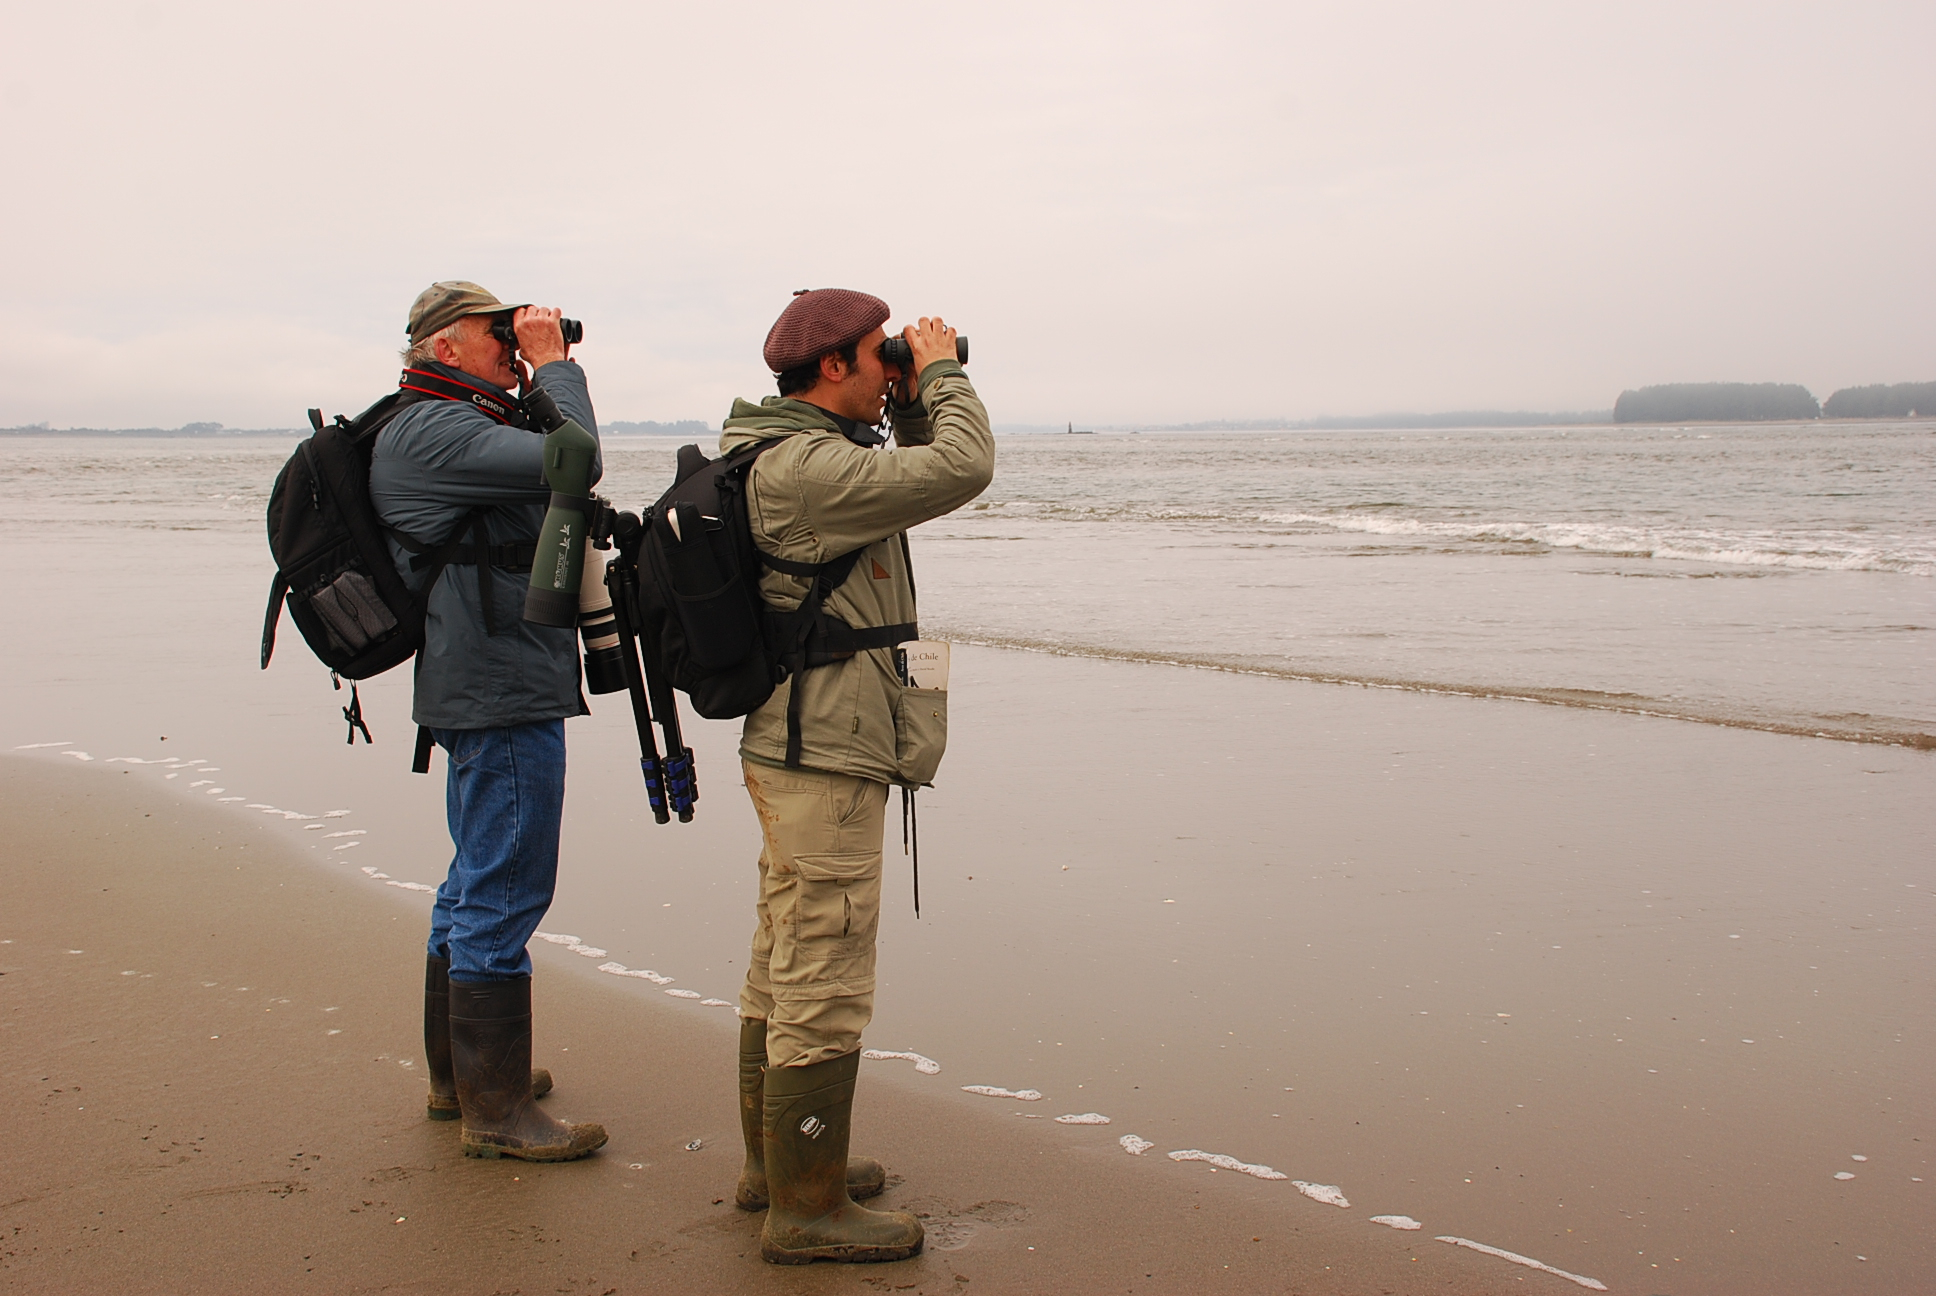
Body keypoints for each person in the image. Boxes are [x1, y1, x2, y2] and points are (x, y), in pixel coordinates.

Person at [721, 289, 994, 1264]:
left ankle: (777, 1168)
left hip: (795, 743)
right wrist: (948, 373)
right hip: (823, 752)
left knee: (786, 952)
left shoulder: (790, 456)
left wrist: (914, 386)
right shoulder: (807, 471)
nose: (894, 366)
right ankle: (805, 1207)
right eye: (880, 356)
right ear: (832, 368)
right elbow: (962, 466)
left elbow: (912, 470)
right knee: (824, 968)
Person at [368, 281, 608, 1162]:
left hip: (487, 677)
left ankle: (459, 1078)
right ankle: (497, 1112)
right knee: (505, 886)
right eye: (494, 331)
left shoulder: (457, 423)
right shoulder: (435, 428)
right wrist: (554, 366)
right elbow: (575, 459)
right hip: (501, 687)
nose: (512, 341)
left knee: (473, 880)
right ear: (440, 347)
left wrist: (536, 372)